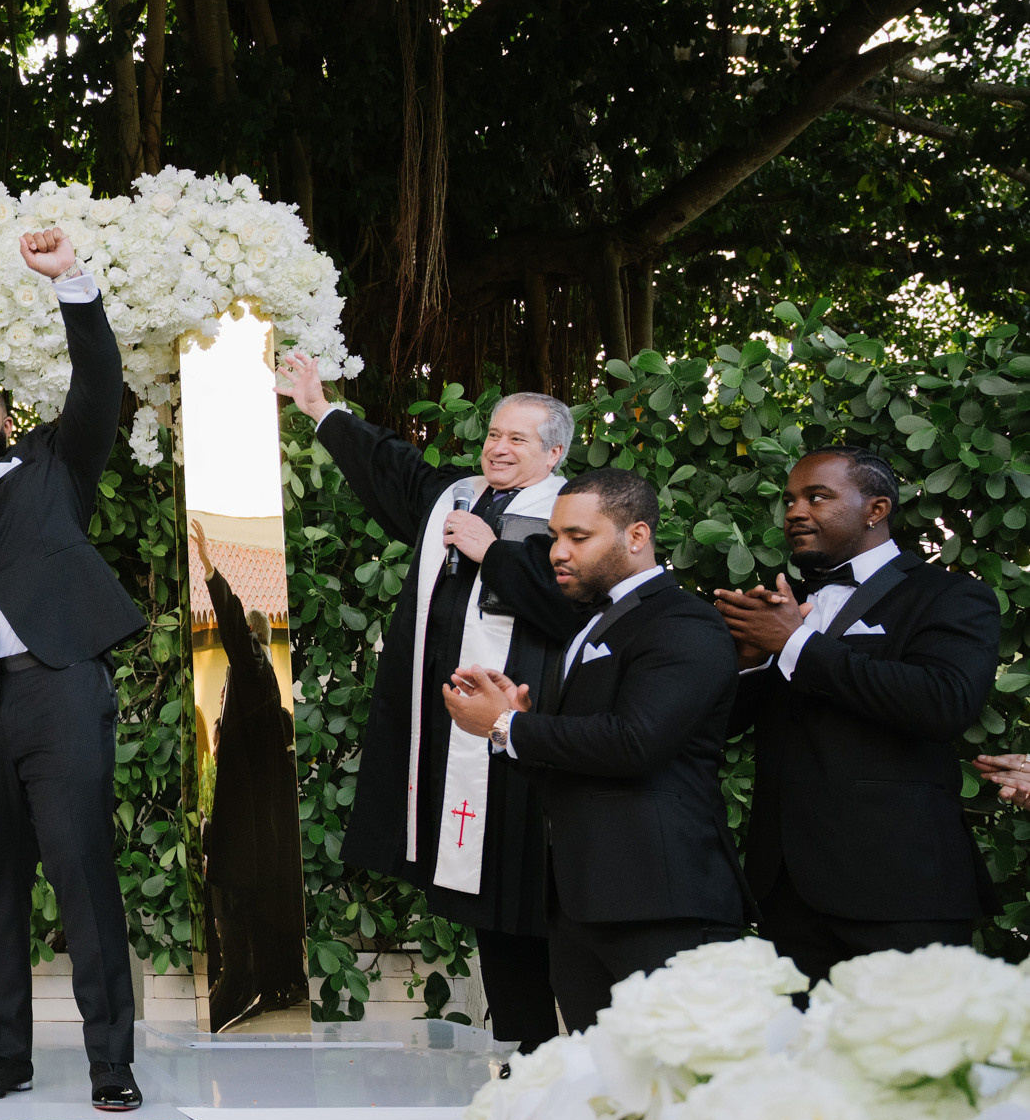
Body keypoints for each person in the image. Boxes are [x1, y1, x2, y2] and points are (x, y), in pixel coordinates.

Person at [0, 227, 149, 1111]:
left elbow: (100, 385)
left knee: (83, 873)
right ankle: (4, 1056)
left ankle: (111, 1064)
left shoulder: (56, 464)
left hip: (61, 691)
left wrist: (72, 282)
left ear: (3, 421)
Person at [273, 362, 582, 1052]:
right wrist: (321, 407)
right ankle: (523, 1053)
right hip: (458, 740)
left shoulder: (576, 516)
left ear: (555, 454)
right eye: (494, 434)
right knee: (493, 909)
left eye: (519, 440)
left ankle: (580, 1058)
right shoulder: (457, 497)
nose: (498, 448)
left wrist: (495, 552)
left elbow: (576, 608)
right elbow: (390, 466)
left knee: (540, 903)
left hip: (528, 739)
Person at [439, 468, 745, 1030]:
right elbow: (588, 749)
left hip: (660, 902)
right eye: (556, 536)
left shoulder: (683, 621)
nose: (559, 552)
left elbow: (636, 742)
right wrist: (525, 721)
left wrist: (507, 725)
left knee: (673, 1089)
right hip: (582, 901)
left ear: (636, 535)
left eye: (578, 538)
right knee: (603, 1088)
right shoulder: (593, 621)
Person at [713, 447, 999, 982]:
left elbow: (944, 702)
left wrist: (796, 643)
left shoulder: (951, 595)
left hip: (900, 889)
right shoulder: (787, 602)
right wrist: (750, 664)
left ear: (876, 509)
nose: (795, 511)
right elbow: (719, 729)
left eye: (817, 496)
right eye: (791, 499)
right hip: (786, 890)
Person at [190, 527, 305, 1027]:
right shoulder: (259, 690)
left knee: (236, 917)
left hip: (249, 834)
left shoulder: (254, 669)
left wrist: (212, 573)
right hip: (251, 830)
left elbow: (235, 631)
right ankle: (262, 982)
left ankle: (241, 986)